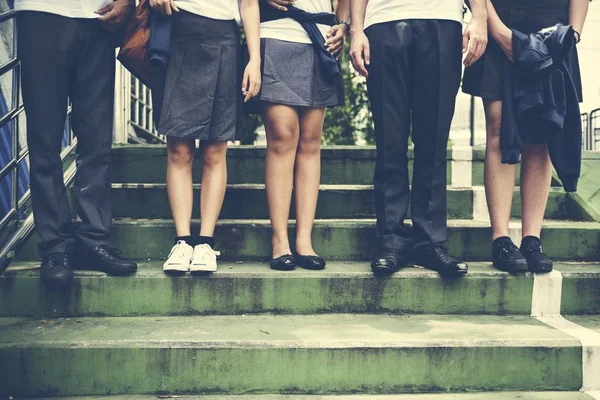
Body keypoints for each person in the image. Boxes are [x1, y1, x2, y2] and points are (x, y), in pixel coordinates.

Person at [350, 0, 488, 276]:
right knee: (389, 140)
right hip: (383, 20)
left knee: (434, 141)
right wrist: (356, 29)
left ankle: (430, 242)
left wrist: (480, 17)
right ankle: (391, 240)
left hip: (442, 18)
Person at [15, 0, 138, 285]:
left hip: (99, 16)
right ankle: (55, 247)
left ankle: (94, 238)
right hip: (40, 11)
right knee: (44, 137)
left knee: (97, 136)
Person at [463, 0, 589, 273]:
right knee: (497, 128)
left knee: (542, 133)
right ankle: (501, 239)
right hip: (499, 20)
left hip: (553, 31)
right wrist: (496, 30)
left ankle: (532, 239)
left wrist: (573, 34)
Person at [149, 0, 261, 273]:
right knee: (179, 149)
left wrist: (255, 59)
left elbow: (248, 4)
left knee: (214, 151)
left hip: (224, 37)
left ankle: (206, 243)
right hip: (177, 32)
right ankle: (182, 241)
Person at [261, 0, 349, 271]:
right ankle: (280, 241)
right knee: (282, 136)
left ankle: (304, 241)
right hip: (276, 32)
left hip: (320, 38)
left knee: (311, 141)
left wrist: (343, 25)